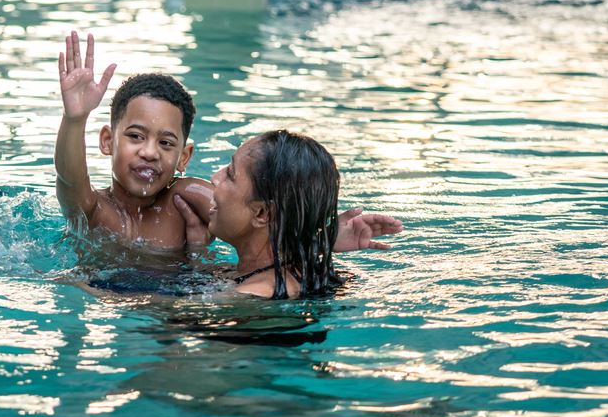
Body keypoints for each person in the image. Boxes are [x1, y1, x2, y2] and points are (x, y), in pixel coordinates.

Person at [54, 31, 401, 256]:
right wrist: (75, 119)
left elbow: (255, 217)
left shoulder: (185, 198)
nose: (149, 152)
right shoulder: (93, 210)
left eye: (166, 143)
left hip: (179, 303)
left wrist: (321, 240)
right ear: (106, 141)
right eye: (135, 136)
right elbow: (70, 178)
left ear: (184, 157)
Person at [175, 130, 342, 299]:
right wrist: (197, 251)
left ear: (262, 213)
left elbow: (164, 310)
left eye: (230, 174)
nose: (215, 177)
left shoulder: (251, 295)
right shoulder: (298, 273)